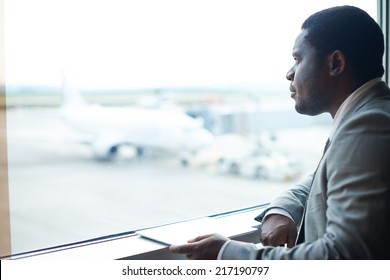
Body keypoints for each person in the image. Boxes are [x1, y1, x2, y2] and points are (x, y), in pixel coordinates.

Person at [169, 5, 390, 260]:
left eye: (298, 59)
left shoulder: (368, 125)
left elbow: (343, 256)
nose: (289, 73)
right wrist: (284, 208)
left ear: (336, 64)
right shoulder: (372, 113)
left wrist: (228, 253)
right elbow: (326, 178)